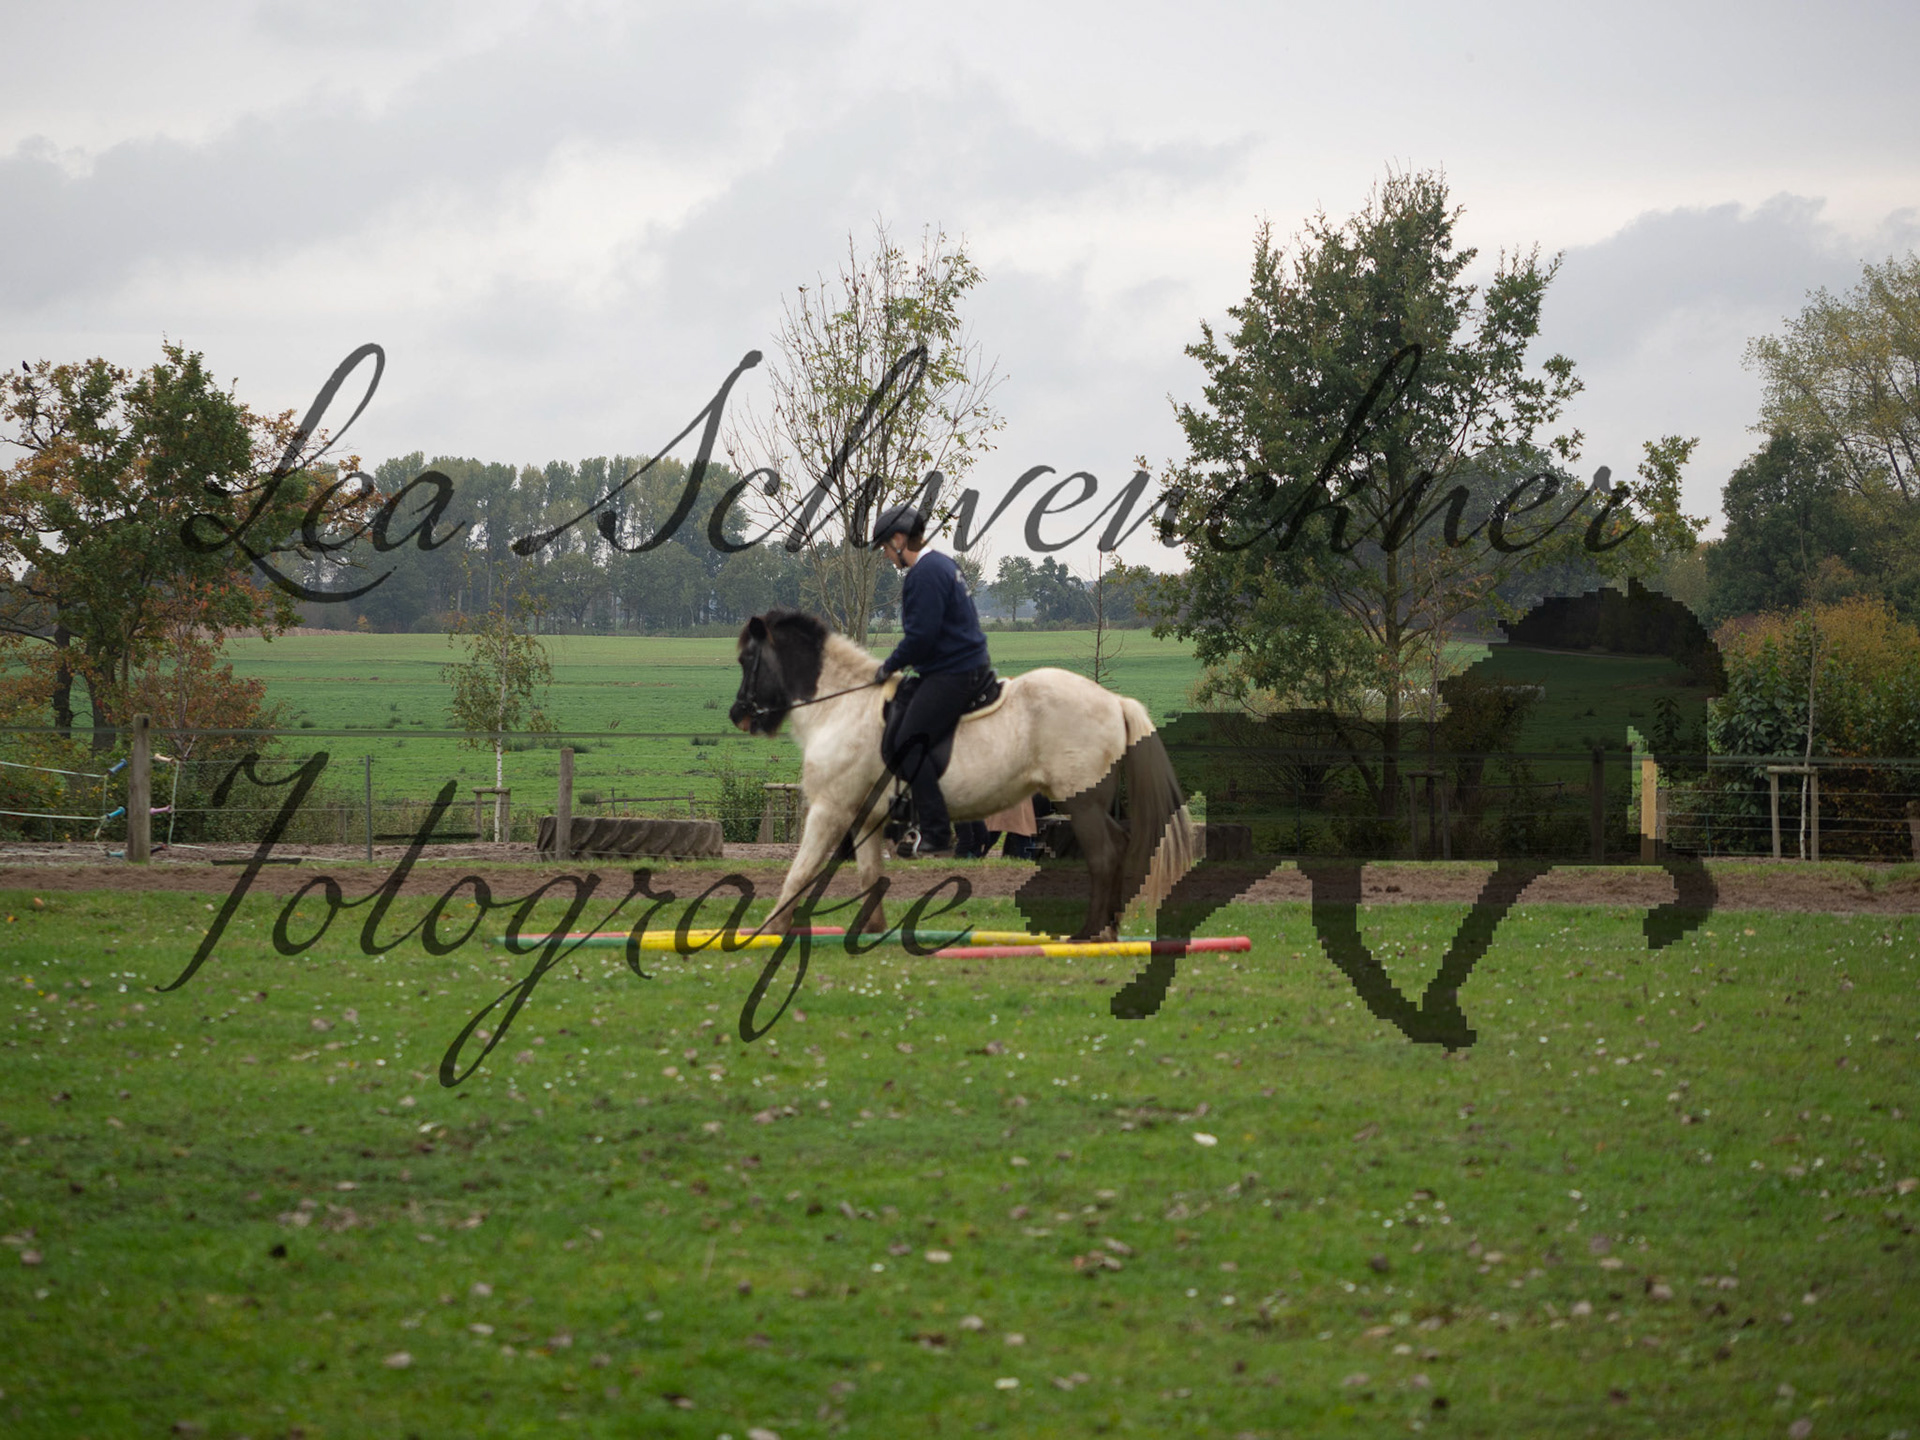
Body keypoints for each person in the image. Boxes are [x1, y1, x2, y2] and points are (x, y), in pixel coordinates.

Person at [871, 501, 993, 859]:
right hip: (958, 667)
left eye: (884, 547)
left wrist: (889, 666)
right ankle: (974, 830)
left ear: (898, 540)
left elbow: (921, 638)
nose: (885, 556)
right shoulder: (943, 564)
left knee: (908, 744)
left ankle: (937, 832)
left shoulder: (923, 574)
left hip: (954, 674)